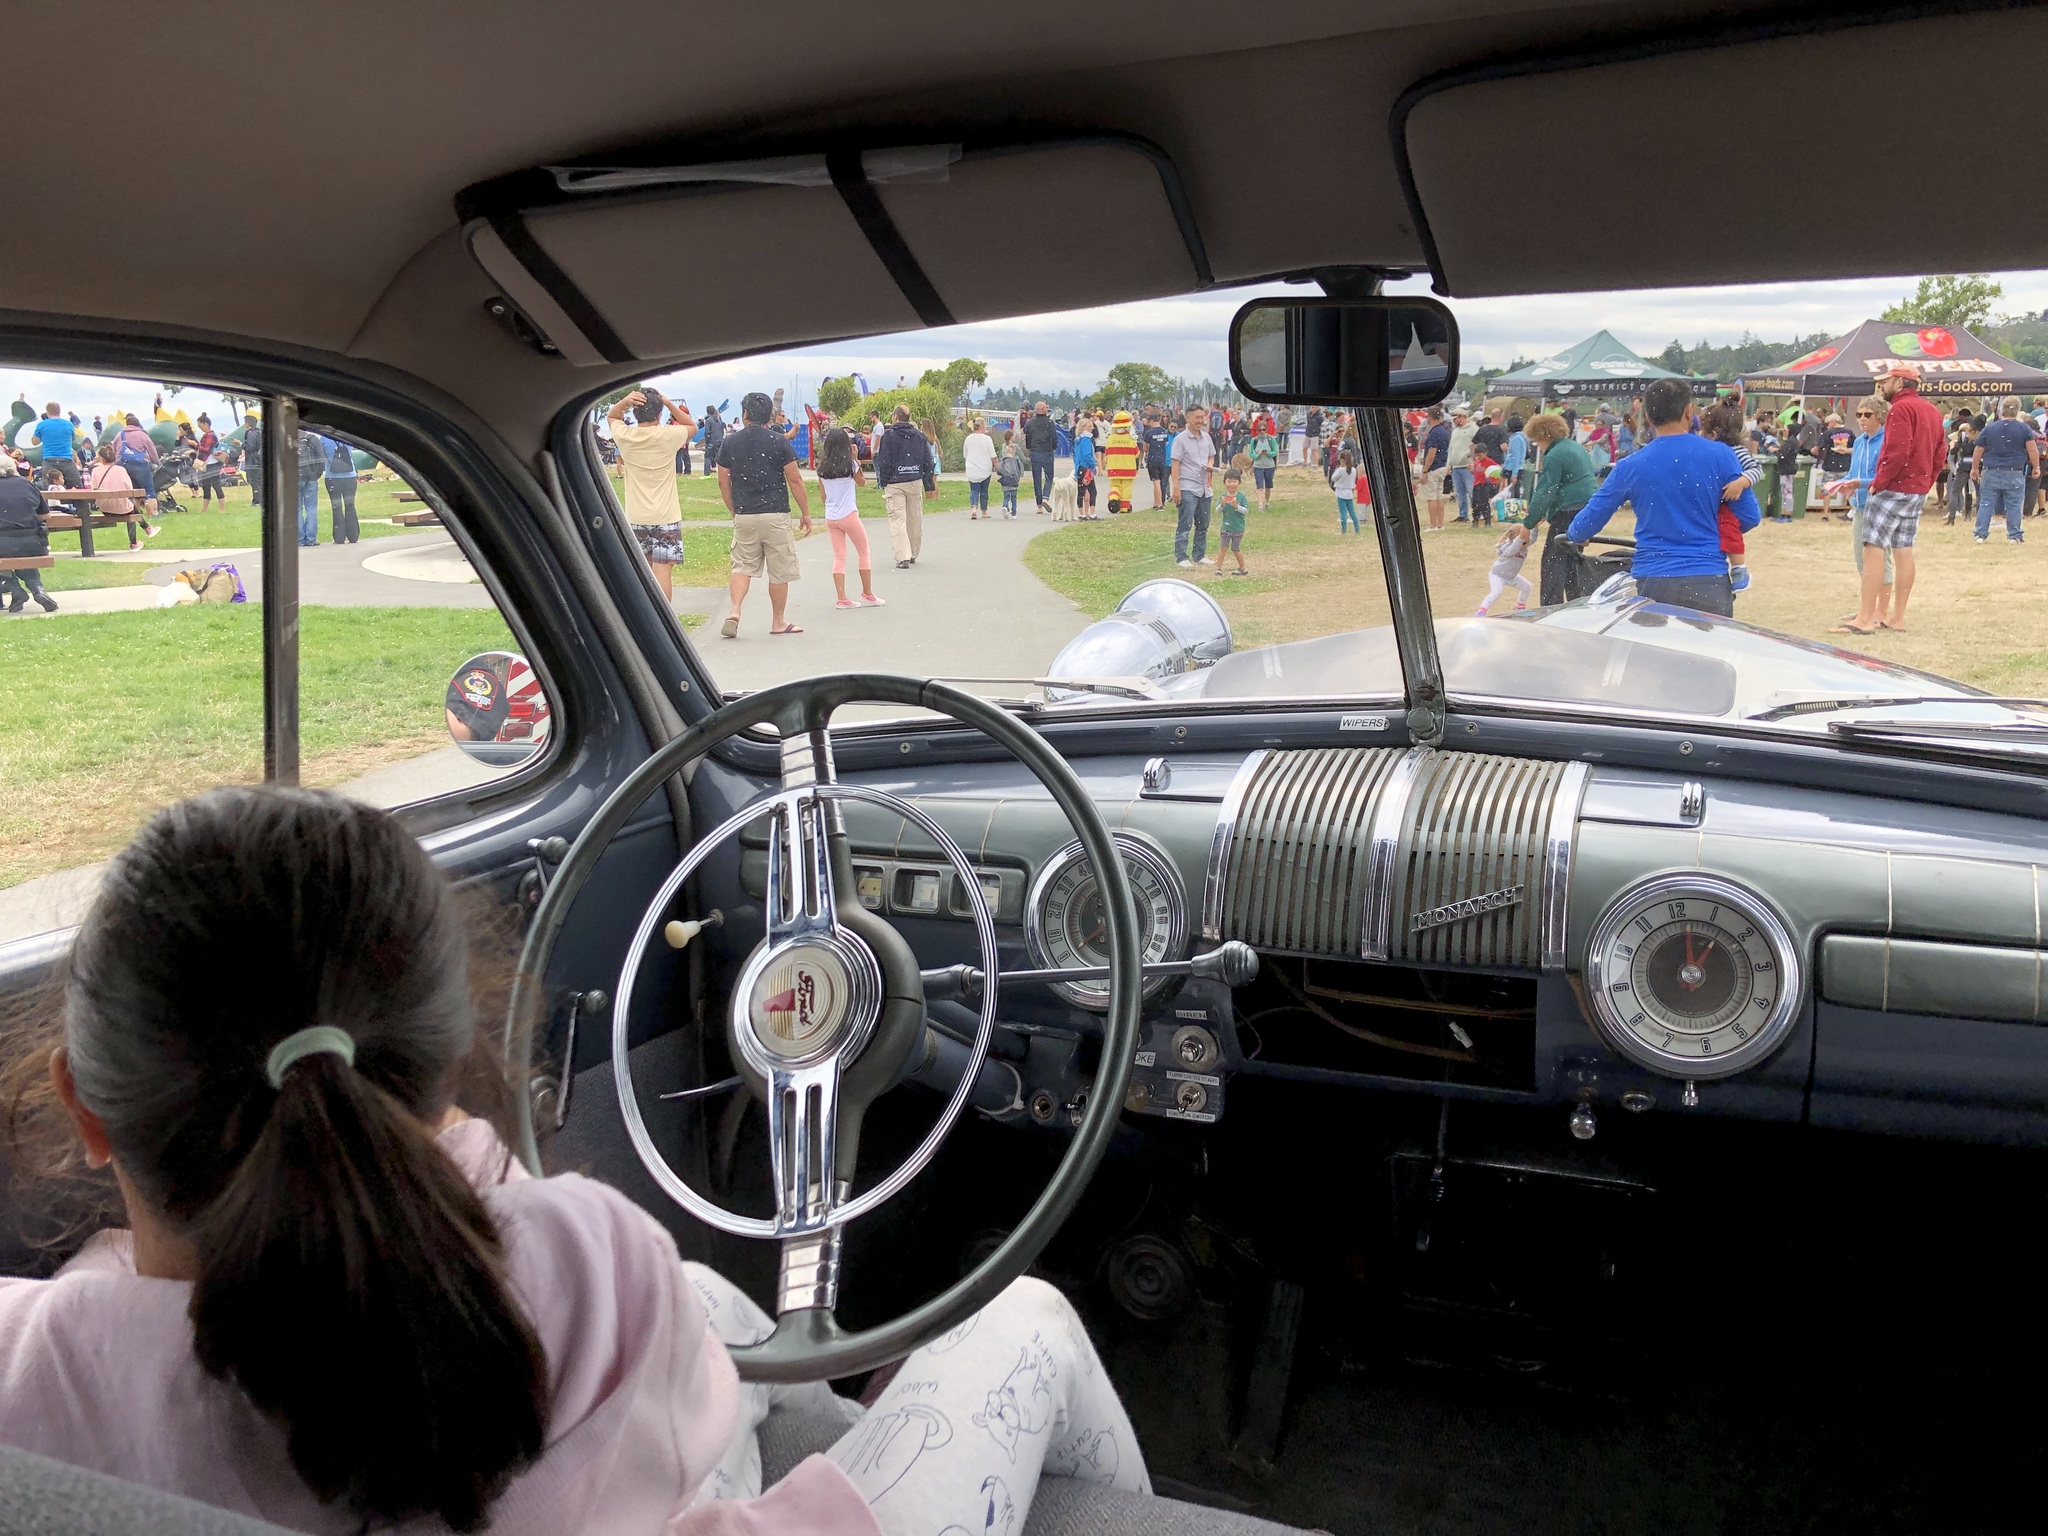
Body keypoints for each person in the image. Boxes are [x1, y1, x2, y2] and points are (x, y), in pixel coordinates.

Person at [0, 787, 1151, 1536]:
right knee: (1027, 1319)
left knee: (709, 1302)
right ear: (447, 1068)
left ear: (84, 1109)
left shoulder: (26, 1375)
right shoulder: (588, 1261)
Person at [1567, 378, 1757, 619]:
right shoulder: (1721, 455)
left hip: (1652, 582)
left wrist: (1576, 535)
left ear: (1647, 416)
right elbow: (1750, 517)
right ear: (1689, 412)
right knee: (1705, 655)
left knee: (1653, 655)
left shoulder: (1631, 465)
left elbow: (1585, 524)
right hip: (1708, 579)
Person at [1837, 360, 1943, 636]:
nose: (1882, 385)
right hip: (1916, 489)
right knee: (1903, 550)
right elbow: (1939, 453)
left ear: (1898, 382)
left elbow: (1897, 450)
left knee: (1872, 548)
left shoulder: (1900, 409)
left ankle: (1865, 618)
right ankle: (1897, 617)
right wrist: (1926, 481)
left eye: (1885, 381)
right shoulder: (1931, 410)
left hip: (1894, 487)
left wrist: (1879, 483)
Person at [716, 390, 810, 636]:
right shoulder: (779, 441)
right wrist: (806, 512)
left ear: (745, 413)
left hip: (745, 513)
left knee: (742, 566)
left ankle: (735, 610)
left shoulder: (730, 442)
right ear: (769, 415)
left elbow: (723, 481)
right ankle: (778, 621)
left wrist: (733, 509)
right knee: (779, 570)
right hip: (775, 512)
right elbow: (795, 478)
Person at [606, 387, 696, 599]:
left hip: (637, 515)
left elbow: (612, 415)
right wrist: (669, 403)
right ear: (659, 414)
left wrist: (625, 401)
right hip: (666, 515)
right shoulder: (669, 435)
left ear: (635, 414)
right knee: (662, 569)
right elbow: (690, 425)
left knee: (643, 571)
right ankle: (665, 619)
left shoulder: (626, 436)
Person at [1823, 395, 1893, 628]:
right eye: (1859, 415)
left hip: (1880, 504)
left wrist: (1859, 484)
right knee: (1860, 559)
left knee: (1880, 560)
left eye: (1868, 415)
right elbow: (1853, 472)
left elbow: (1885, 477)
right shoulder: (1860, 442)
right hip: (1860, 506)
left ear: (1880, 416)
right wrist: (1840, 485)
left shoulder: (1887, 441)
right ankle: (1867, 607)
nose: (1862, 419)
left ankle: (1880, 611)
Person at [1698, 402, 1763, 596]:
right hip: (1724, 502)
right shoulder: (1713, 453)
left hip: (1734, 504)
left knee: (1727, 528)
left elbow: (1756, 470)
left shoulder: (1737, 452)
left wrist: (1741, 482)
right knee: (1724, 531)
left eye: (1704, 432)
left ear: (1715, 433)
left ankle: (1739, 568)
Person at [816, 426, 882, 609]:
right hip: (849, 514)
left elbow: (823, 497)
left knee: (839, 556)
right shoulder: (850, 465)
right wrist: (856, 460)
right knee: (863, 552)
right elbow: (862, 483)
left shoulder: (821, 469)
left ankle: (841, 598)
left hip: (831, 516)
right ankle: (867, 594)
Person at [1970, 395, 2038, 544]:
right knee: (2014, 504)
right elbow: (2032, 450)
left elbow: (1979, 449)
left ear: (2002, 410)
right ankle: (2014, 535)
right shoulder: (2024, 428)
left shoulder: (1991, 427)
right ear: (2018, 410)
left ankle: (1980, 534)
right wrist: (2036, 467)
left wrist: (1975, 468)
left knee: (1986, 502)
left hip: (1991, 470)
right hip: (2014, 471)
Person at [874, 404, 929, 567]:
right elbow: (927, 460)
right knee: (914, 518)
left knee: (898, 519)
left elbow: (884, 461)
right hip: (914, 480)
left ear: (896, 417)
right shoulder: (919, 436)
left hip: (895, 482)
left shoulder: (889, 436)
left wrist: (884, 480)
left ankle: (902, 556)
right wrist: (926, 480)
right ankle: (913, 552)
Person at [0, 455, 57, 613]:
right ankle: (38, 590)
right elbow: (46, 516)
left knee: (7, 551)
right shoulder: (26, 484)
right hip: (33, 544)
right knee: (18, 552)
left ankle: (14, 588)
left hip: (3, 543)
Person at [1168, 403, 1215, 567]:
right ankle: (1181, 557)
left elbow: (1212, 456)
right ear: (1188, 418)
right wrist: (1176, 487)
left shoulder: (1206, 437)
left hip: (1204, 487)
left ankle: (1199, 554)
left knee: (1203, 524)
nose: (1200, 421)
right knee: (1185, 523)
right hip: (1188, 486)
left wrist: (1210, 465)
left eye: (1202, 417)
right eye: (1197, 417)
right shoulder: (1180, 439)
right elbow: (1175, 464)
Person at [1478, 520, 1532, 615]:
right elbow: (1510, 552)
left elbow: (1533, 538)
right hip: (1498, 575)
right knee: (1497, 592)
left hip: (1511, 577)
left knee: (1527, 587)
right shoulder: (1508, 546)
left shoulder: (1524, 546)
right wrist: (1520, 539)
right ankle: (1481, 611)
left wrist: (1535, 527)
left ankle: (1520, 608)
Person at [1416, 406, 1451, 531]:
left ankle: (1433, 524)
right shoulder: (1444, 431)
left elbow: (1431, 454)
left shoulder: (1434, 433)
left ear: (1429, 417)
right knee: (1439, 495)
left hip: (1433, 467)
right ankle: (1440, 523)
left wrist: (1425, 470)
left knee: (1431, 497)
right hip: (1442, 465)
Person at [33, 402, 81, 489]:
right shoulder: (69, 424)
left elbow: (35, 442)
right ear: (59, 411)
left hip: (49, 460)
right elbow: (74, 438)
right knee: (76, 487)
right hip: (66, 460)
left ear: (47, 412)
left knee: (48, 489)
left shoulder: (42, 425)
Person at [1816, 413, 1855, 519]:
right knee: (1848, 490)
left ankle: (1825, 515)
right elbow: (1855, 448)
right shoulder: (1849, 432)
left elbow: (1818, 448)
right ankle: (1854, 511)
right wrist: (1846, 450)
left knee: (1827, 491)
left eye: (1828, 423)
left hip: (1830, 466)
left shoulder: (1828, 433)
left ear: (1833, 422)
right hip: (1845, 465)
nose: (1828, 426)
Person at [295, 426, 329, 547]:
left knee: (297, 509)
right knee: (311, 509)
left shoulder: (287, 440)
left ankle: (299, 539)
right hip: (310, 477)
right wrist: (316, 475)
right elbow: (321, 459)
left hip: (293, 479)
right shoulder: (312, 439)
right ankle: (310, 539)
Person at [1213, 467, 1250, 576]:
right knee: (1223, 548)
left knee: (1236, 549)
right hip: (1225, 527)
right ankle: (1218, 568)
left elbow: (1246, 511)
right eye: (1229, 481)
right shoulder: (1223, 496)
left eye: (1235, 481)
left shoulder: (1241, 497)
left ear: (1239, 483)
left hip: (1238, 528)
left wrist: (1237, 506)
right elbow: (1217, 511)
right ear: (1224, 483)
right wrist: (1222, 504)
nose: (1232, 484)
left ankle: (1243, 568)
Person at [323, 436, 360, 544]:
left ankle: (339, 537)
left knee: (336, 507)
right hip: (349, 475)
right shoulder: (347, 437)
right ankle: (353, 535)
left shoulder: (324, 439)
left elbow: (322, 455)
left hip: (332, 476)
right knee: (350, 505)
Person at [1446, 405, 1478, 522]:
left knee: (1471, 491)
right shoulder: (1455, 431)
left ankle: (1477, 513)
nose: (1454, 421)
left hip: (1467, 466)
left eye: (1456, 419)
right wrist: (1449, 463)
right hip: (1456, 467)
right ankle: (1463, 514)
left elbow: (1476, 444)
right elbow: (1451, 447)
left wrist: (1467, 454)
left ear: (1462, 417)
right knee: (1459, 493)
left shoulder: (1473, 428)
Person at [1023, 399, 1057, 511]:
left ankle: (1039, 506)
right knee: (1049, 476)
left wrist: (1029, 447)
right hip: (1047, 452)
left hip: (1035, 452)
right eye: (1046, 408)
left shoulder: (1030, 423)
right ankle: (1045, 498)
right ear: (1043, 409)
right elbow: (1054, 437)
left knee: (1036, 479)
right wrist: (1053, 447)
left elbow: (1027, 435)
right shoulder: (1050, 423)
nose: (1047, 409)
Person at [961, 416, 995, 519]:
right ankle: (984, 512)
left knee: (974, 489)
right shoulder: (987, 439)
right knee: (984, 490)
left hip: (972, 468)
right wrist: (996, 465)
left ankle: (974, 508)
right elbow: (993, 455)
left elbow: (965, 454)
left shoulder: (968, 439)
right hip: (985, 468)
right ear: (981, 427)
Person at [1141, 406, 1173, 512]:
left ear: (1151, 421)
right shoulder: (1164, 432)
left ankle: (1159, 504)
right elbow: (1166, 443)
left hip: (1153, 458)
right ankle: (1156, 502)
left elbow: (1145, 448)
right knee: (1160, 480)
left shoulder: (1149, 433)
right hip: (1163, 458)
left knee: (1156, 481)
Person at [192, 413, 226, 505]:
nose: (200, 428)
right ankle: (205, 509)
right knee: (206, 486)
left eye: (200, 425)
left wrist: (196, 445)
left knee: (216, 485)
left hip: (212, 464)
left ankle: (221, 508)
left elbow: (207, 449)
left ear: (205, 424)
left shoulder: (210, 435)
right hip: (208, 464)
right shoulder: (208, 435)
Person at [1071, 411, 1099, 519]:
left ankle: (1081, 513)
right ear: (1083, 428)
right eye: (1089, 426)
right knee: (1092, 491)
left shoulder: (1078, 440)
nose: (1092, 428)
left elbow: (1076, 455)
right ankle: (1092, 513)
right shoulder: (1086, 440)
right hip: (1086, 468)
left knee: (1081, 491)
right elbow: (1087, 455)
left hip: (1079, 468)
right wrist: (1094, 464)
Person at [1330, 448, 1360, 534]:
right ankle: (1357, 530)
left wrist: (1338, 469)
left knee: (1343, 512)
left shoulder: (1340, 470)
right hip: (1349, 493)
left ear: (1342, 460)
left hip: (1341, 493)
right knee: (1352, 512)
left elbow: (1333, 478)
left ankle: (1343, 531)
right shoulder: (1354, 470)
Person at [997, 431, 1023, 519]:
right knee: (1014, 497)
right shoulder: (1016, 460)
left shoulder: (1004, 458)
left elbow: (999, 469)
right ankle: (1014, 513)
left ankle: (1005, 506)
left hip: (1005, 481)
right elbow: (1019, 468)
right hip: (1014, 481)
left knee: (1006, 496)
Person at [1502, 414, 1529, 495]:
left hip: (1513, 469)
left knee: (1512, 494)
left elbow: (1515, 457)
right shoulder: (1522, 437)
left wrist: (1514, 474)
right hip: (1518, 468)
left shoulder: (1515, 439)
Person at [241, 413, 264, 508]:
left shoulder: (251, 433)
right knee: (258, 481)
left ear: (248, 424)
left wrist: (241, 444)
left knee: (254, 481)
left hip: (253, 461)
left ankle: (256, 501)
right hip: (259, 460)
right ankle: (260, 499)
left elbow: (250, 447)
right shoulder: (259, 432)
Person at [698, 402, 725, 477]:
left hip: (712, 441)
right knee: (718, 457)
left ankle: (706, 474)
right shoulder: (719, 420)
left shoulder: (709, 420)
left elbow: (707, 432)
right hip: (719, 440)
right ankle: (720, 473)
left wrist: (707, 441)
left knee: (707, 456)